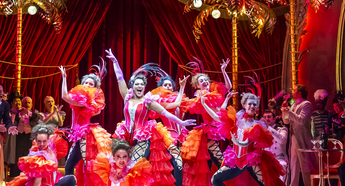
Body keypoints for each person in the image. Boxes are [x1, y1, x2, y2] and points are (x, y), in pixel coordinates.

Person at [106, 53, 194, 186]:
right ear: (133, 86)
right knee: (120, 167)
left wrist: (181, 122)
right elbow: (120, 78)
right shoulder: (127, 97)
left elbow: (166, 113)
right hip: (125, 135)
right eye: (137, 84)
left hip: (142, 136)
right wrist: (115, 62)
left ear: (144, 86)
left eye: (142, 84)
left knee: (134, 166)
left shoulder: (148, 102)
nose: (139, 86)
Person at [201, 88, 285, 186]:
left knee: (267, 183)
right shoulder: (236, 119)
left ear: (257, 108)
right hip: (236, 160)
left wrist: (237, 142)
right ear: (244, 105)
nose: (252, 106)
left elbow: (247, 143)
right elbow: (217, 117)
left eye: (254, 105)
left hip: (251, 159)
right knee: (215, 179)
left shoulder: (257, 125)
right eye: (250, 104)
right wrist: (204, 104)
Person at [180, 58, 232, 186]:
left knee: (209, 164)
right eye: (200, 81)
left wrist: (223, 71)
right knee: (220, 161)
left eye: (205, 80)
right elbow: (192, 105)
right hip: (208, 132)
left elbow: (229, 87)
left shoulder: (215, 94)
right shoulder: (201, 97)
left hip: (216, 129)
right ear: (197, 85)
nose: (204, 81)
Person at [59, 61, 110, 186]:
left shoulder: (86, 102)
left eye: (90, 84)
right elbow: (65, 96)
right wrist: (64, 78)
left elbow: (64, 97)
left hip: (84, 136)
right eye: (85, 83)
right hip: (77, 135)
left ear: (94, 88)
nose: (87, 85)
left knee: (79, 166)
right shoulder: (79, 98)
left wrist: (64, 79)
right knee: (72, 166)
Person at [6, 123, 75, 186]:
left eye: (44, 141)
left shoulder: (51, 150)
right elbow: (37, 182)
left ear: (48, 140)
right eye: (39, 141)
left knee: (71, 179)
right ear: (36, 141)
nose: (42, 144)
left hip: (53, 182)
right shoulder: (39, 158)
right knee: (70, 180)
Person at [282, 84, 315, 186]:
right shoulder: (294, 105)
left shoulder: (306, 104)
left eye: (294, 90)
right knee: (294, 166)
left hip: (303, 139)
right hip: (294, 138)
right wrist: (284, 111)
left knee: (305, 166)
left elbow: (302, 119)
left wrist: (289, 112)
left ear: (299, 93)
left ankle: (309, 184)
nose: (292, 91)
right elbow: (286, 121)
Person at [14, 96, 43, 176]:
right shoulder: (17, 114)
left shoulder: (34, 114)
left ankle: (28, 174)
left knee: (28, 154)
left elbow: (36, 125)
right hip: (19, 136)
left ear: (32, 104)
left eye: (29, 102)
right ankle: (17, 174)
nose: (27, 104)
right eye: (25, 102)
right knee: (19, 154)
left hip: (29, 136)